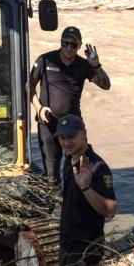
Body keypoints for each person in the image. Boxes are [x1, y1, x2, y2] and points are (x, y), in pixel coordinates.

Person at [29, 26, 111, 185]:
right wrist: (38, 108)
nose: (68, 48)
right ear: (60, 42)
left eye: (73, 45)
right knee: (51, 174)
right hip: (48, 123)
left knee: (79, 167)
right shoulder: (45, 60)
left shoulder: (84, 65)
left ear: (80, 46)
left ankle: (76, 201)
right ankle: (53, 203)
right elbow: (28, 85)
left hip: (73, 126)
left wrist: (96, 65)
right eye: (65, 43)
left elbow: (106, 85)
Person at [54, 114, 117, 266]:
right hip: (67, 244)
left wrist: (86, 188)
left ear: (84, 134)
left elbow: (111, 210)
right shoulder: (69, 158)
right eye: (62, 137)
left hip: (85, 251)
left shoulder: (97, 167)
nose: (66, 142)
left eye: (71, 136)